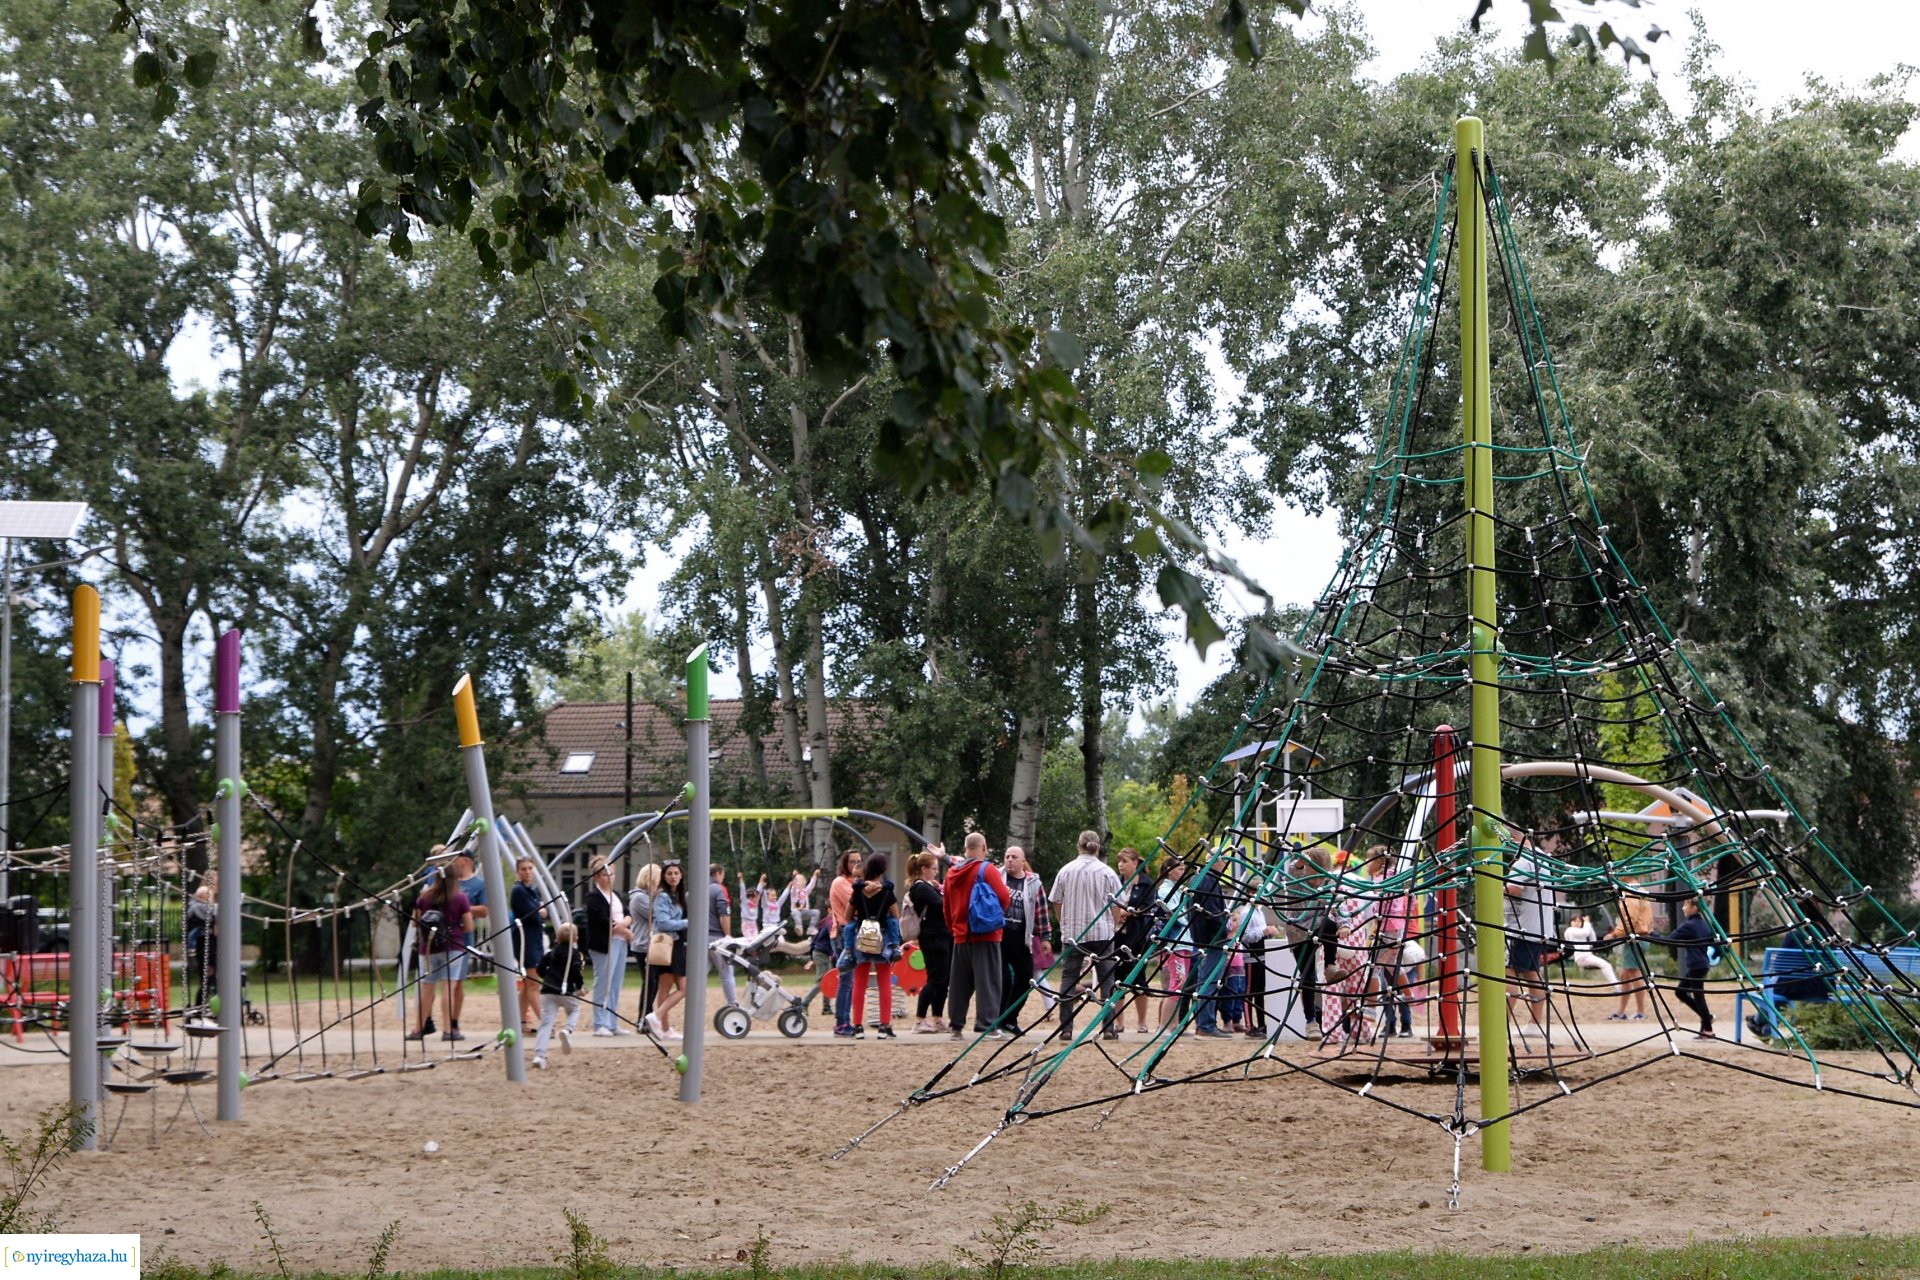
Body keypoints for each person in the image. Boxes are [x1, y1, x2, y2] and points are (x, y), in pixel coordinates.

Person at [1050, 830, 1123, 1040]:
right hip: (1101, 932)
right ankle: (1108, 1027)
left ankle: (1066, 1028)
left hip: (1073, 932)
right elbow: (1118, 902)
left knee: (1069, 978)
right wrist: (1113, 924)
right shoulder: (1107, 872)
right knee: (1107, 979)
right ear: (1097, 847)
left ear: (1078, 845)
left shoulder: (1066, 871)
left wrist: (1063, 920)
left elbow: (1056, 899)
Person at [943, 831, 1012, 1038]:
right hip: (985, 933)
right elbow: (1004, 898)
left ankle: (956, 1026)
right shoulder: (987, 869)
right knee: (988, 981)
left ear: (966, 849)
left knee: (959, 983)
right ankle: (987, 1025)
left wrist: (954, 929)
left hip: (960, 936)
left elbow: (946, 906)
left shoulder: (952, 873)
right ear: (983, 847)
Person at [839, 852, 903, 1037]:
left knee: (859, 983)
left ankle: (858, 1026)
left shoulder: (858, 891)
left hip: (862, 938)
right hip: (882, 940)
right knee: (884, 983)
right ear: (882, 870)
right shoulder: (887, 891)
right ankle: (884, 1026)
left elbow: (848, 915)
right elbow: (895, 915)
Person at [408, 868, 473, 1041]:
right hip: (452, 946)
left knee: (427, 989)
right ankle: (448, 1030)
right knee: (448, 988)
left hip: (428, 948)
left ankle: (417, 1029)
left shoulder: (424, 897)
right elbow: (469, 927)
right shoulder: (460, 898)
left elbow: (416, 922)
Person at [1746, 914, 1836, 1038]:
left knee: (1772, 985)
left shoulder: (1794, 935)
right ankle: (1764, 1024)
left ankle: (1760, 1021)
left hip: (1793, 987)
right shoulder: (1827, 936)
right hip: (1821, 987)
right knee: (1777, 985)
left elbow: (1778, 966)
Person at [1504, 835, 1557, 1039]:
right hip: (1539, 927)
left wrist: (1496, 890)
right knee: (1531, 974)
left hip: (1522, 927)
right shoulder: (1542, 858)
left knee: (1509, 972)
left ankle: (1502, 1024)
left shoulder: (1525, 860)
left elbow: (1513, 888)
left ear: (1516, 838)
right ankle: (1535, 1024)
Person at [1181, 852, 1234, 1038]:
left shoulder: (1198, 878)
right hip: (1212, 938)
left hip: (1201, 937)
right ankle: (1206, 1025)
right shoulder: (1208, 880)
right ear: (1216, 862)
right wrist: (1224, 930)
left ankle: (1205, 1023)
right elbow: (1212, 912)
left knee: (1206, 980)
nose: (1226, 865)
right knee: (1209, 981)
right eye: (1224, 861)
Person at [582, 855, 633, 1036]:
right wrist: (625, 930)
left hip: (620, 942)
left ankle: (612, 1022)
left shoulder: (616, 895)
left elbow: (627, 914)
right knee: (603, 983)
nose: (609, 877)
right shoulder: (594, 897)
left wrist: (625, 925)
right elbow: (604, 921)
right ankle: (599, 1023)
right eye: (604, 875)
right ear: (597, 877)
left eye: (611, 874)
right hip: (604, 943)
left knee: (616, 984)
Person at [1654, 897, 1717, 1038]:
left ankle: (1708, 1028)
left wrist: (1651, 935)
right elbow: (1714, 940)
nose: (1683, 908)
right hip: (1702, 964)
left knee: (1698, 997)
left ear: (1694, 908)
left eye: (1686, 905)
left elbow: (1669, 940)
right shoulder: (1704, 924)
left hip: (1695, 965)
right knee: (1681, 992)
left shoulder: (1689, 925)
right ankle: (1707, 1020)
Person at [999, 846, 1049, 1023]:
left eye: (1014, 857)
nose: (1010, 860)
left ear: (1022, 861)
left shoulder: (1033, 883)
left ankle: (1010, 1018)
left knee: (1026, 977)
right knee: (1003, 979)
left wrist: (1045, 937)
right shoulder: (997, 877)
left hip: (1021, 936)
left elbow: (1041, 910)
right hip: (1000, 936)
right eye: (1007, 857)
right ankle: (999, 1018)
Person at [1110, 847, 1156, 1035]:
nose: (1121, 865)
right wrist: (1116, 914)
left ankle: (1142, 1022)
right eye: (1119, 861)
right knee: (1117, 979)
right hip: (1118, 936)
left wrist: (1125, 912)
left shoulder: (1146, 884)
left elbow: (1147, 908)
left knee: (1138, 980)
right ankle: (1119, 1022)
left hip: (1137, 937)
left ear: (1135, 863)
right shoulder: (1116, 882)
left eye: (1125, 861)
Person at [644, 862, 690, 1040]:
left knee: (669, 986)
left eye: (676, 873)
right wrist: (688, 922)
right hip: (668, 944)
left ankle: (664, 1027)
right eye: (669, 873)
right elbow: (663, 923)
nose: (673, 876)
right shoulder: (663, 896)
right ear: (664, 876)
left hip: (675, 944)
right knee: (680, 988)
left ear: (681, 875)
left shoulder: (675, 896)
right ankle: (657, 1017)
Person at [907, 848, 951, 1033]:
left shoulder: (928, 887)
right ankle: (919, 1020)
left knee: (944, 980)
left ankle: (937, 1018)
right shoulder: (921, 887)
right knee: (935, 979)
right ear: (924, 869)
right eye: (933, 868)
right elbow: (943, 904)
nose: (936, 872)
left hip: (941, 936)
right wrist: (941, 889)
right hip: (933, 938)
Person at [531, 922, 584, 1069]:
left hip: (548, 990)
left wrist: (547, 977)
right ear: (576, 939)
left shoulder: (551, 953)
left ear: (557, 939)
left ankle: (539, 1055)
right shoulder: (575, 954)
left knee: (546, 1024)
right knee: (574, 1010)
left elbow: (540, 969)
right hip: (566, 990)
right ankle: (567, 1030)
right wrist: (580, 987)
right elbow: (576, 971)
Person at [1605, 875, 1656, 1020]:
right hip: (1640, 935)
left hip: (1635, 937)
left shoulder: (1630, 892)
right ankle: (1621, 1011)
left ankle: (1640, 1011)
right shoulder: (1640, 890)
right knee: (1625, 974)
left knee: (1634, 974)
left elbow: (1630, 917)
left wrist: (1615, 934)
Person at [830, 848, 870, 1032]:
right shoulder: (840, 882)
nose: (856, 864)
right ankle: (842, 1022)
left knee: (850, 980)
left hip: (853, 931)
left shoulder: (855, 883)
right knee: (846, 979)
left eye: (859, 861)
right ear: (845, 864)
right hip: (844, 932)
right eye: (852, 861)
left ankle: (846, 1020)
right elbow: (856, 904)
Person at [1155, 857, 1195, 1031]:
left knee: (1181, 983)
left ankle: (1173, 1024)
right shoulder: (1165, 890)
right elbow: (1175, 915)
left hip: (1184, 941)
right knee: (1176, 983)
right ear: (1170, 870)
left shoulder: (1178, 890)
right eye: (1179, 869)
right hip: (1175, 942)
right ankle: (1164, 1025)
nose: (1182, 872)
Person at [510, 856, 549, 1033]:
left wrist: (540, 910)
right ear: (517, 872)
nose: (527, 872)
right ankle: (545, 1022)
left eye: (530, 868)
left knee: (528, 984)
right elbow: (535, 914)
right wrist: (539, 910)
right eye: (524, 869)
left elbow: (543, 912)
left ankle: (520, 1022)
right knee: (534, 983)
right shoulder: (518, 891)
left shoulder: (531, 890)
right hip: (526, 941)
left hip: (535, 939)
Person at [628, 863, 663, 1024]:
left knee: (652, 982)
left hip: (648, 944)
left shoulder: (645, 897)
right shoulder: (640, 898)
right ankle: (643, 1017)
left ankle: (646, 1015)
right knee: (650, 982)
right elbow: (656, 914)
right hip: (643, 945)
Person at [708, 863, 738, 1008]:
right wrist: (728, 935)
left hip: (698, 938)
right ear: (718, 873)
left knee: (699, 975)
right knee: (726, 972)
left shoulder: (694, 889)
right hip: (716, 937)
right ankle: (732, 1004)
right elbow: (724, 915)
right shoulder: (719, 889)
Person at [1564, 913, 1617, 991]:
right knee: (1606, 965)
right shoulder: (1570, 930)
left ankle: (1616, 986)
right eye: (1574, 921)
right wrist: (1587, 923)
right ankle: (1617, 986)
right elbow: (1586, 932)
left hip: (1587, 956)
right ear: (1570, 922)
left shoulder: (1582, 930)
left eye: (1579, 921)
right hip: (1582, 957)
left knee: (1606, 965)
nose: (1576, 923)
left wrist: (1589, 924)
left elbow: (1592, 939)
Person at [184, 883, 218, 1008]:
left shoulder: (194, 909)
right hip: (205, 948)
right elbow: (215, 912)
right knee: (208, 981)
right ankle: (199, 1008)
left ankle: (202, 1007)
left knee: (208, 982)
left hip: (205, 948)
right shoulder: (200, 909)